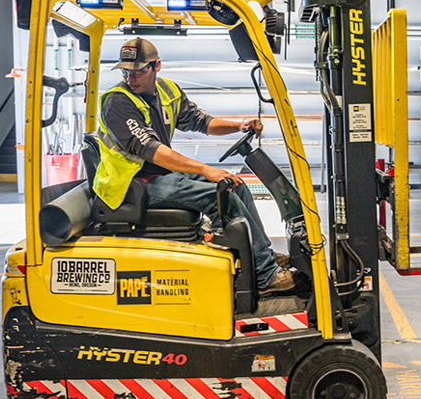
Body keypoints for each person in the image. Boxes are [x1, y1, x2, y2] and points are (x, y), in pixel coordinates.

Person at [93, 37, 294, 293]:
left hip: (157, 176)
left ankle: (261, 257)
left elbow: (201, 121)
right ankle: (265, 276)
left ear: (157, 67)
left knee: (235, 185)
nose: (131, 78)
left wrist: (238, 126)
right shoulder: (117, 102)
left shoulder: (167, 91)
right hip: (131, 186)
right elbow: (153, 151)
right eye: (126, 71)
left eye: (138, 71)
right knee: (220, 196)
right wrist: (204, 169)